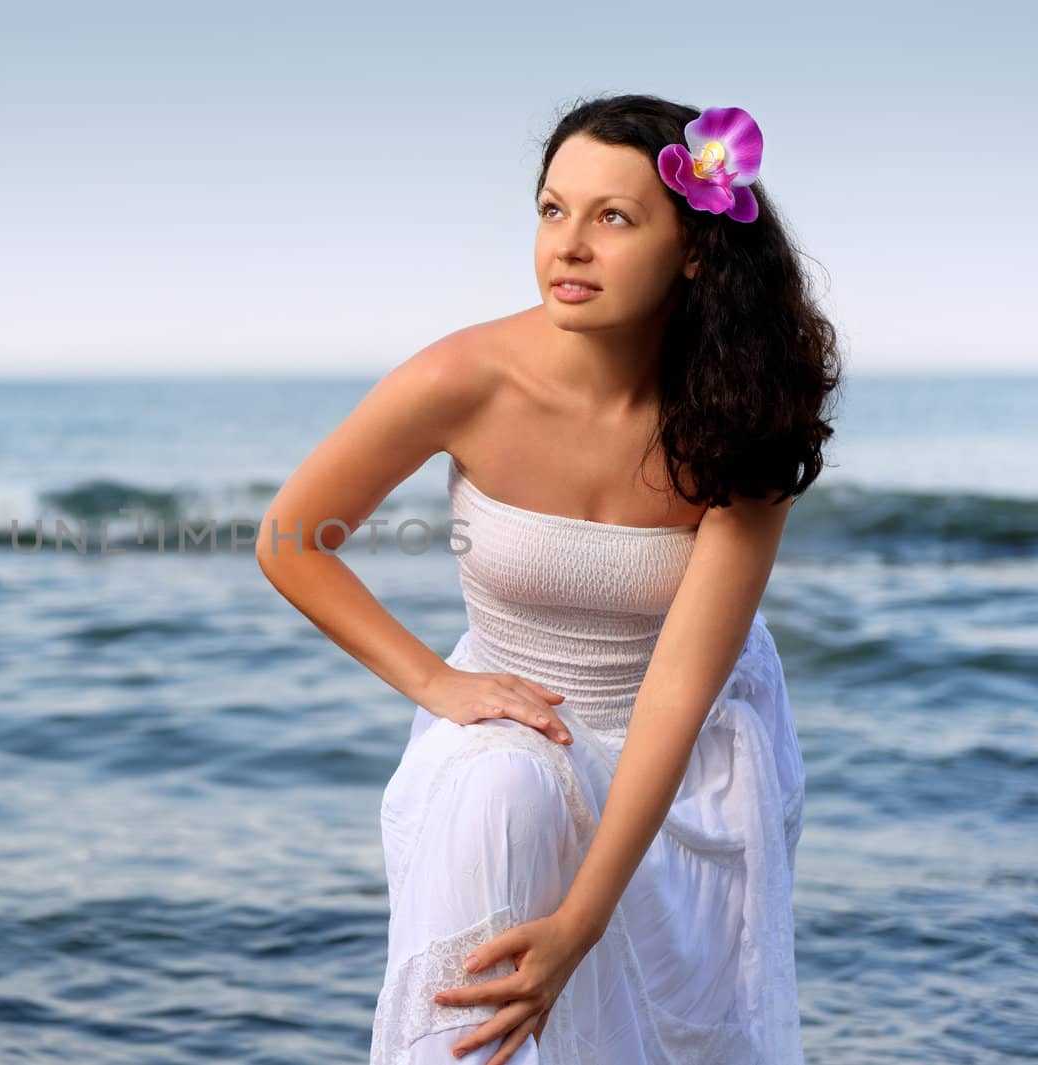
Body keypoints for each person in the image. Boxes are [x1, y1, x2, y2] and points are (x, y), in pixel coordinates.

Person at [255, 94, 842, 1064]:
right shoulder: (465, 378)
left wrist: (581, 921)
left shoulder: (744, 416)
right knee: (497, 791)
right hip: (513, 714)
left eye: (612, 218)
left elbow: (673, 701)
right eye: (551, 209)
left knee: (665, 1030)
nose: (568, 245)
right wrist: (438, 686)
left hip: (688, 760)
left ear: (694, 248)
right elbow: (289, 537)